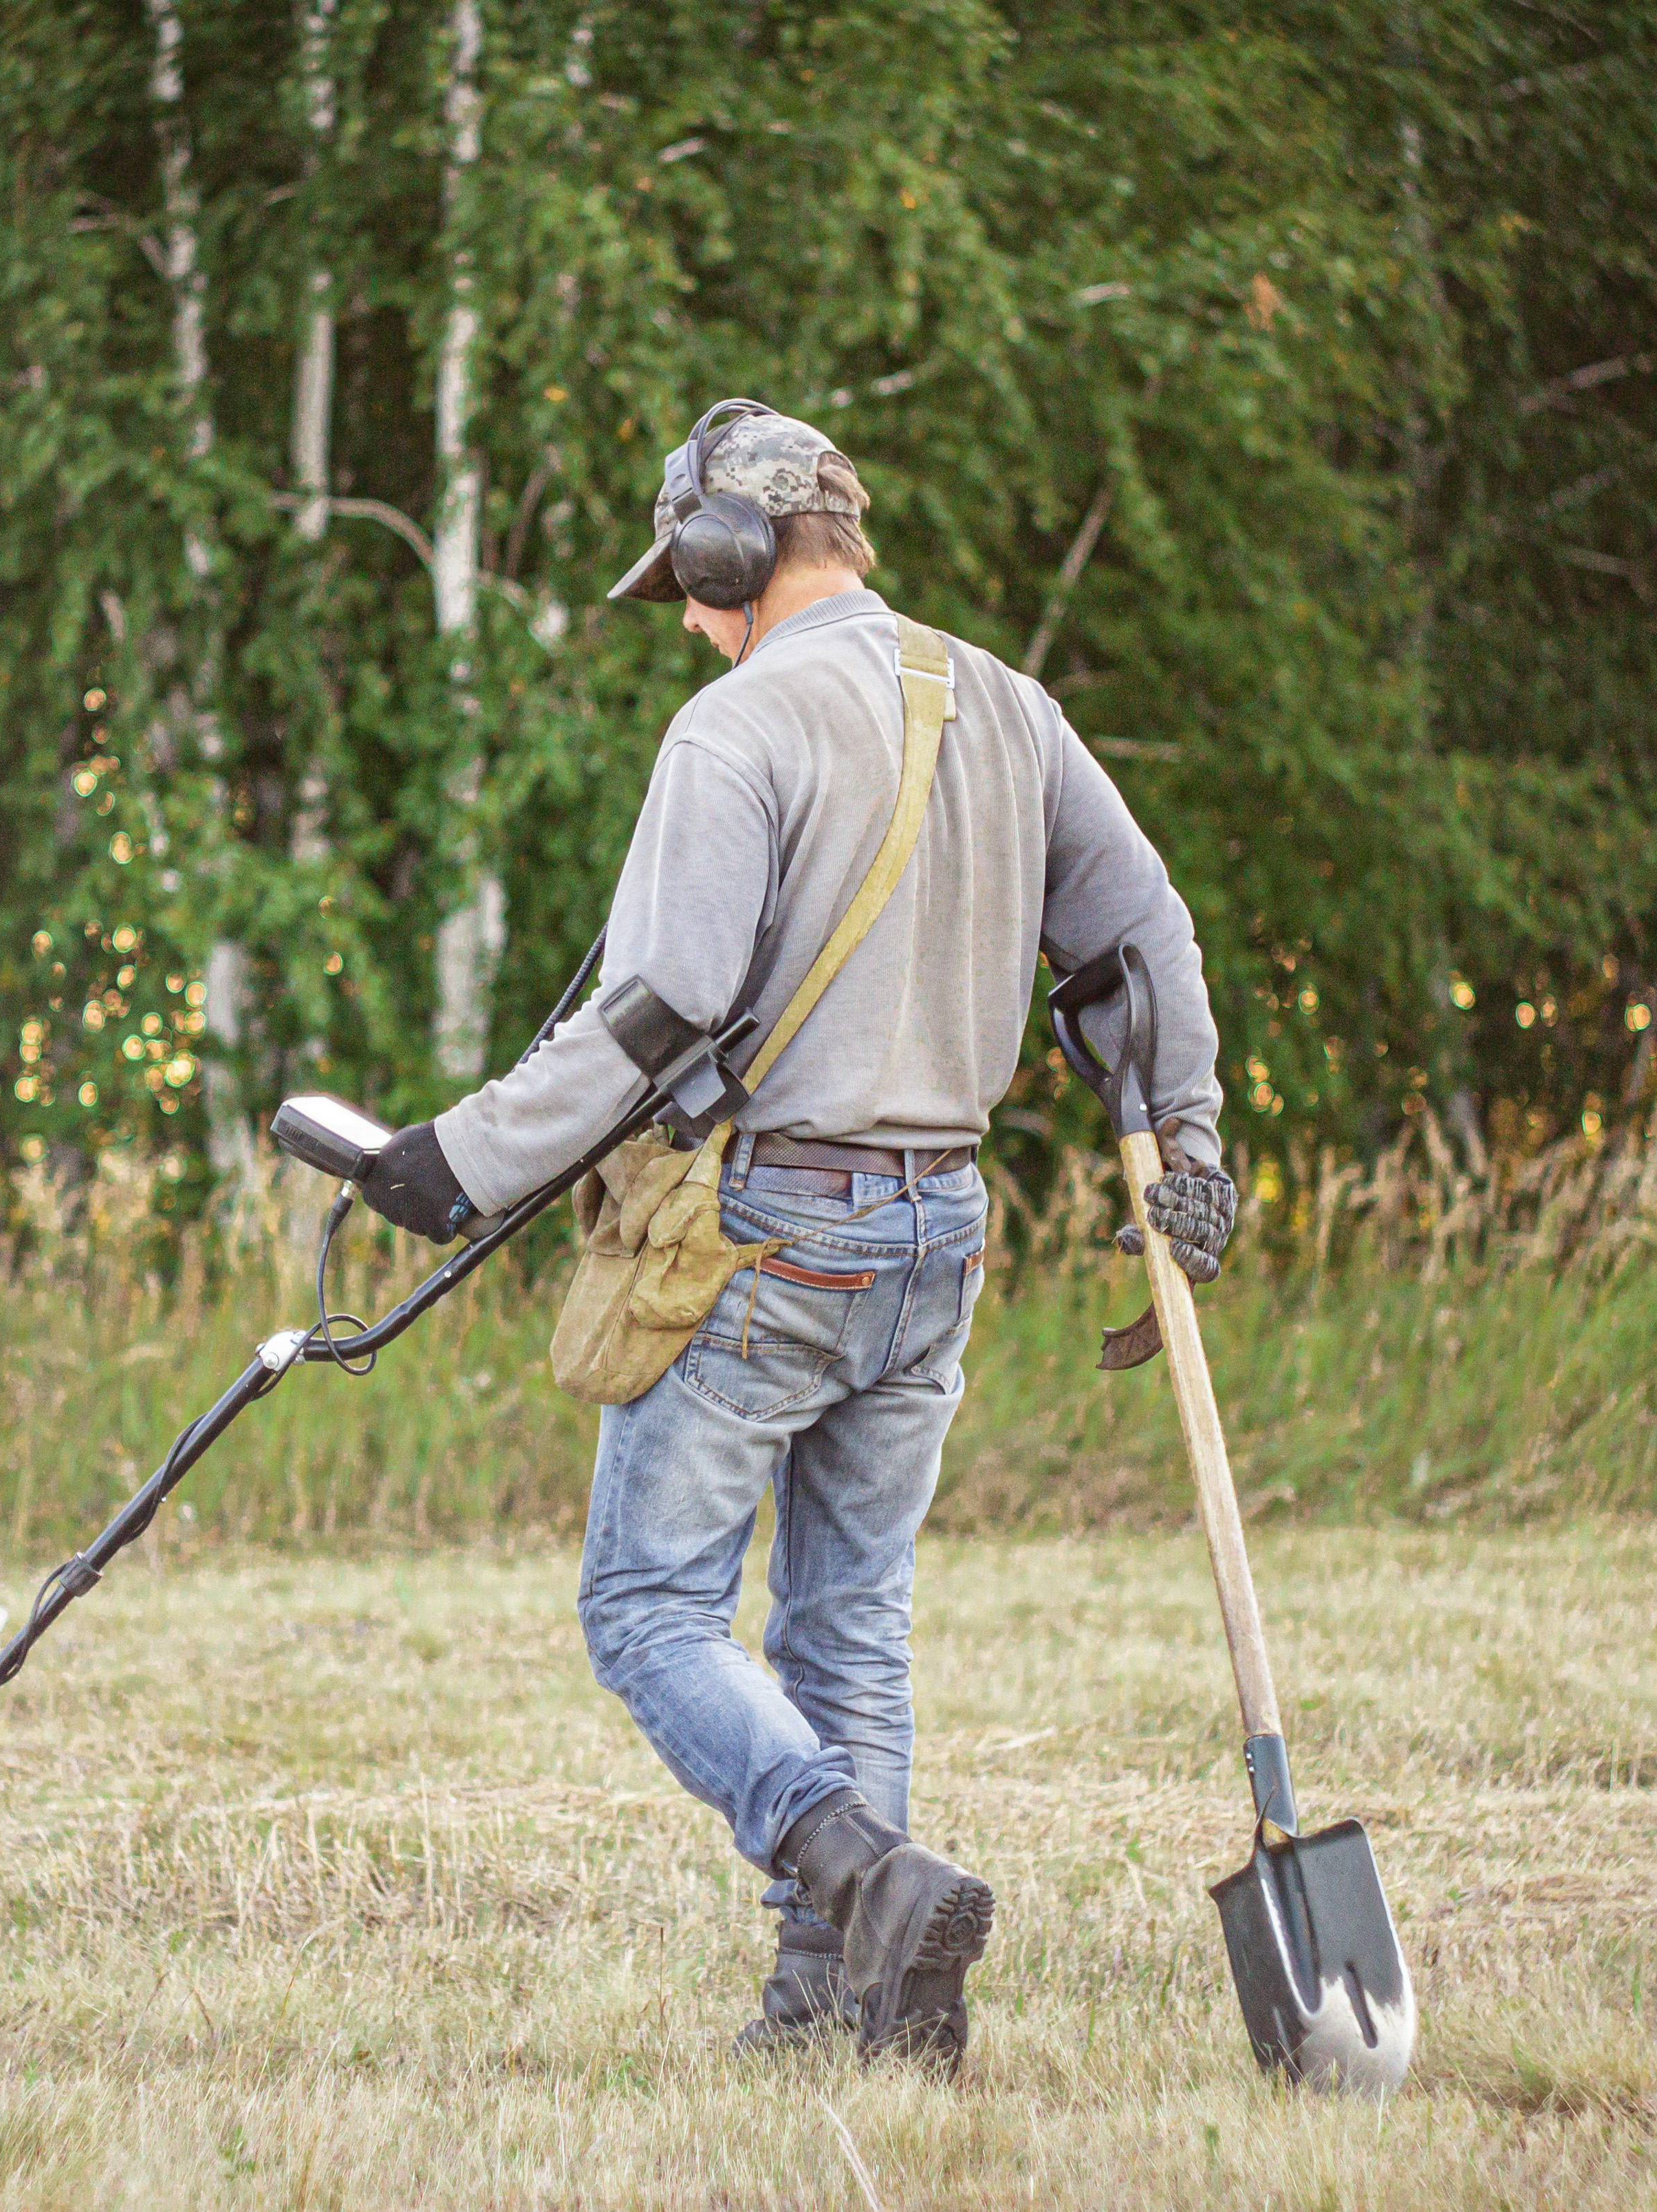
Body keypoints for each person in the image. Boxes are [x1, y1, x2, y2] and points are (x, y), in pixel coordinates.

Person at [352, 400, 1236, 2072]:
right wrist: (1181, 1133)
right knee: (849, 1622)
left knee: (644, 1612)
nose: (684, 618)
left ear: (729, 553)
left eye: (684, 583)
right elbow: (1141, 932)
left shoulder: (734, 727)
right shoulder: (1008, 705)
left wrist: (460, 1163)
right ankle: (845, 2014)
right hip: (937, 1238)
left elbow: (661, 1013)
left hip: (773, 1230)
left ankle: (864, 1876)